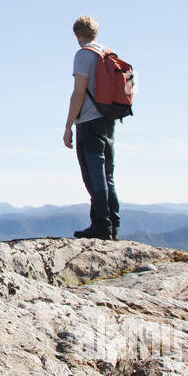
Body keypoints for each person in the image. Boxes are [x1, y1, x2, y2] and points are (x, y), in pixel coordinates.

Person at [63, 15, 119, 240]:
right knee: (108, 175)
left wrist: (68, 126)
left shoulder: (83, 55)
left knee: (93, 175)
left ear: (77, 35)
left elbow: (78, 92)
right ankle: (113, 224)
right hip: (108, 120)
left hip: (88, 122)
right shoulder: (107, 54)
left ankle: (101, 226)